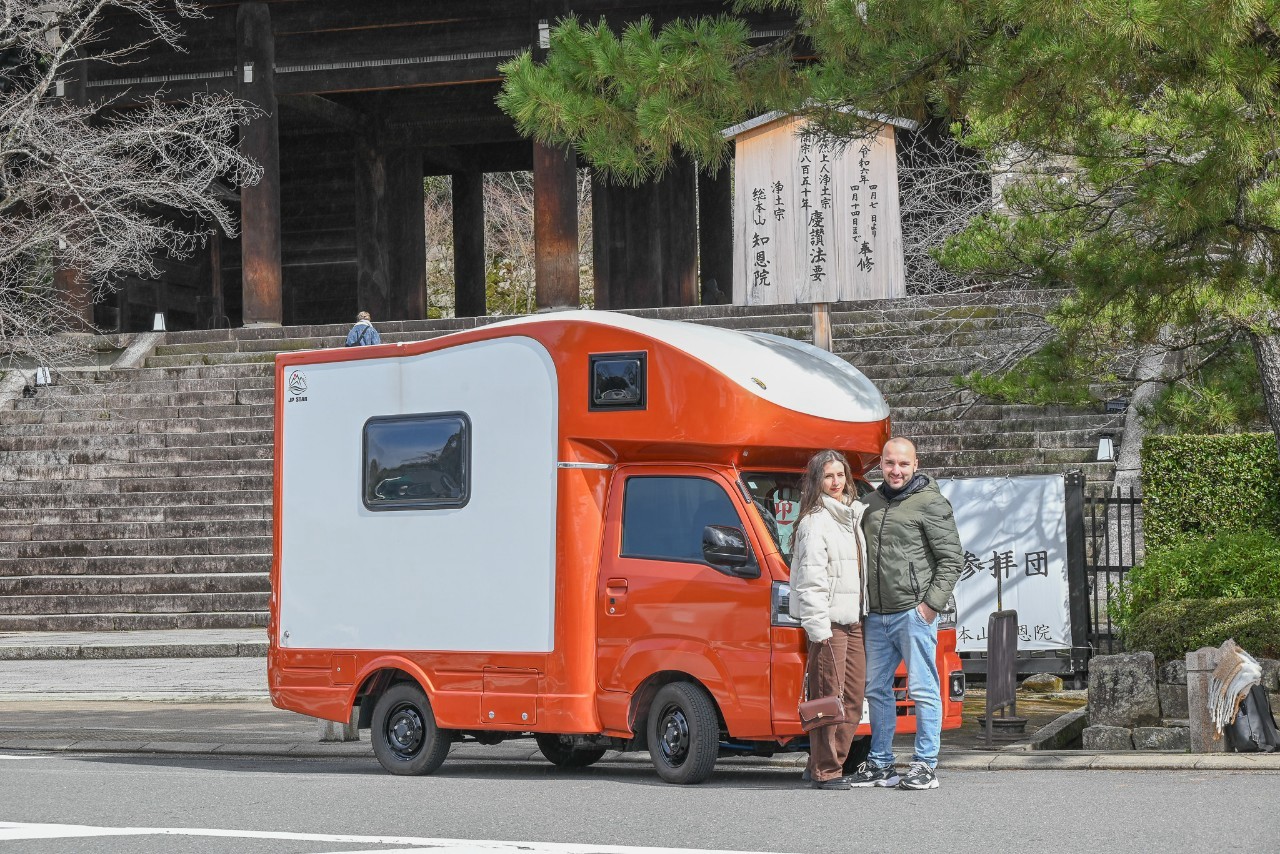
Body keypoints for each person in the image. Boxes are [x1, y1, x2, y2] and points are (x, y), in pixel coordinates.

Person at [847, 437, 961, 791]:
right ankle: (881, 763)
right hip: (876, 616)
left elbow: (952, 559)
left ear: (916, 465)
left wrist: (928, 607)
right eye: (890, 463)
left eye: (903, 464)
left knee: (924, 689)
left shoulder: (930, 503)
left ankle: (925, 764)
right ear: (881, 464)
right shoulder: (869, 504)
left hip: (912, 614)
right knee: (876, 690)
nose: (896, 470)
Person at [789, 449, 869, 790]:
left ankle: (822, 763)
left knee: (852, 696)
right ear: (817, 481)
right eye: (828, 476)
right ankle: (826, 771)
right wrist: (818, 627)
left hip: (854, 622)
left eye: (840, 475)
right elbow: (810, 580)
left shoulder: (851, 515)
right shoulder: (814, 522)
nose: (836, 482)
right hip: (829, 625)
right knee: (828, 699)